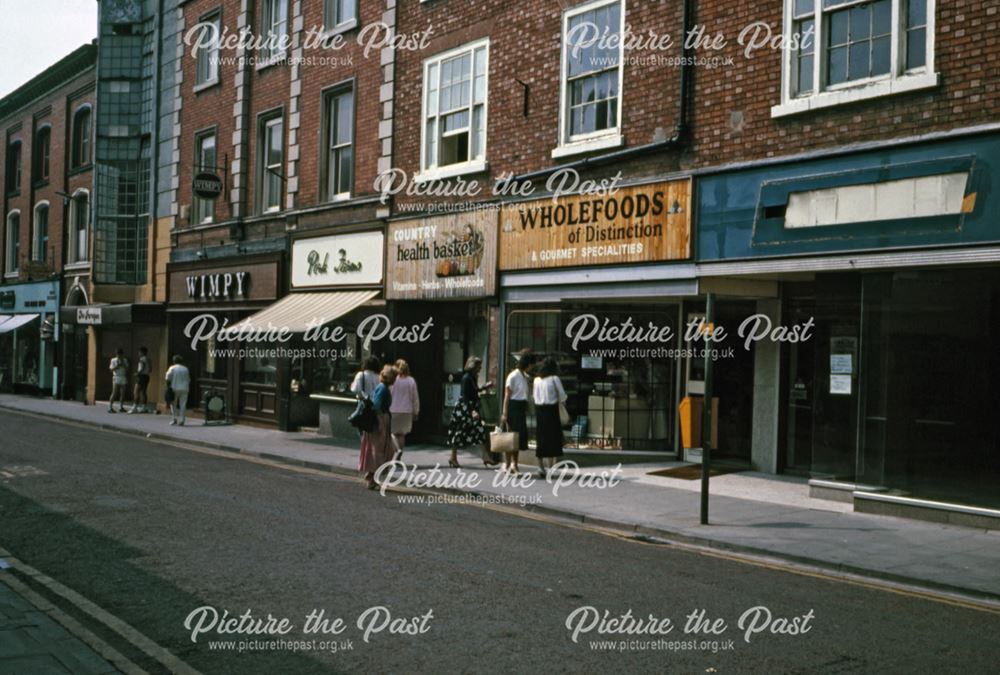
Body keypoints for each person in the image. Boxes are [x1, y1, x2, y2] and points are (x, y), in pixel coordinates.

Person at [447, 356, 495, 468]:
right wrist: (472, 411)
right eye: (479, 366)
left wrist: (483, 387)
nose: (480, 368)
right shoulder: (466, 378)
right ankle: (453, 457)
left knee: (479, 430)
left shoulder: (472, 377)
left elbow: (474, 391)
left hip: (470, 408)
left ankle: (485, 456)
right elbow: (465, 396)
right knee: (459, 432)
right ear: (473, 366)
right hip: (465, 409)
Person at [359, 365, 398, 490]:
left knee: (379, 450)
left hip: (380, 421)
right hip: (380, 422)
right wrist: (381, 422)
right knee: (381, 451)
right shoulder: (383, 389)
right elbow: (376, 406)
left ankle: (371, 475)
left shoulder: (382, 387)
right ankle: (371, 477)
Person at [500, 350, 534, 473]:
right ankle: (507, 462)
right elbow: (507, 395)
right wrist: (504, 413)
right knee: (510, 436)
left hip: (521, 408)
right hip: (513, 407)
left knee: (517, 438)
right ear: (527, 364)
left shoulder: (525, 376)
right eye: (531, 364)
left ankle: (514, 463)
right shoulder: (513, 376)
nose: (531, 367)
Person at [533, 356, 567, 477]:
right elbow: (563, 396)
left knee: (541, 438)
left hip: (539, 410)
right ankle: (551, 466)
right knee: (553, 438)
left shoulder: (536, 380)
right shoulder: (555, 378)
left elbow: (534, 397)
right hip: (552, 410)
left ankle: (540, 466)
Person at [389, 359, 419, 460]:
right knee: (402, 434)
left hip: (393, 409)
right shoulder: (411, 381)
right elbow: (415, 398)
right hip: (407, 411)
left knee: (392, 433)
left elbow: (389, 394)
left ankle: (397, 450)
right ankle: (399, 457)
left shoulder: (393, 380)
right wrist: (416, 411)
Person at [164, 355, 191, 426]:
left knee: (173, 404)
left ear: (174, 361)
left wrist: (168, 387)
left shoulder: (172, 368)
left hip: (174, 388)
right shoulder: (185, 369)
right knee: (183, 404)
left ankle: (174, 419)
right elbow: (188, 379)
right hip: (184, 388)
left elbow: (167, 378)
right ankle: (182, 420)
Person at [130, 346, 151, 413]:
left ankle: (135, 407)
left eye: (139, 352)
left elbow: (142, 367)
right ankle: (144, 407)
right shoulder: (148, 359)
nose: (138, 353)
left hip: (141, 376)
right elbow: (150, 368)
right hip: (147, 376)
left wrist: (137, 373)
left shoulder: (142, 359)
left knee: (136, 391)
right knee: (144, 392)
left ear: (142, 352)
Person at [108, 348, 129, 413]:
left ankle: (121, 407)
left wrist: (123, 364)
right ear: (116, 354)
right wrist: (118, 365)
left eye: (120, 355)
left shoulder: (125, 360)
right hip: (116, 377)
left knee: (122, 393)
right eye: (118, 355)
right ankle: (110, 407)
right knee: (114, 392)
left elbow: (127, 369)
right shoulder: (113, 360)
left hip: (123, 377)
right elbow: (111, 369)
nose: (119, 356)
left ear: (122, 354)